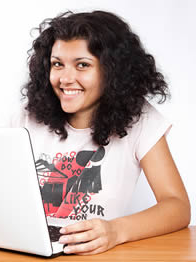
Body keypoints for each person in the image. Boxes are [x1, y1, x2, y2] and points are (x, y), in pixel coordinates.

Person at [10, 10, 191, 255]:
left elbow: (177, 206)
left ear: (111, 71)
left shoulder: (141, 121)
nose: (66, 78)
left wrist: (116, 231)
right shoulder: (26, 116)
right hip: (25, 249)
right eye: (57, 64)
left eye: (82, 65)